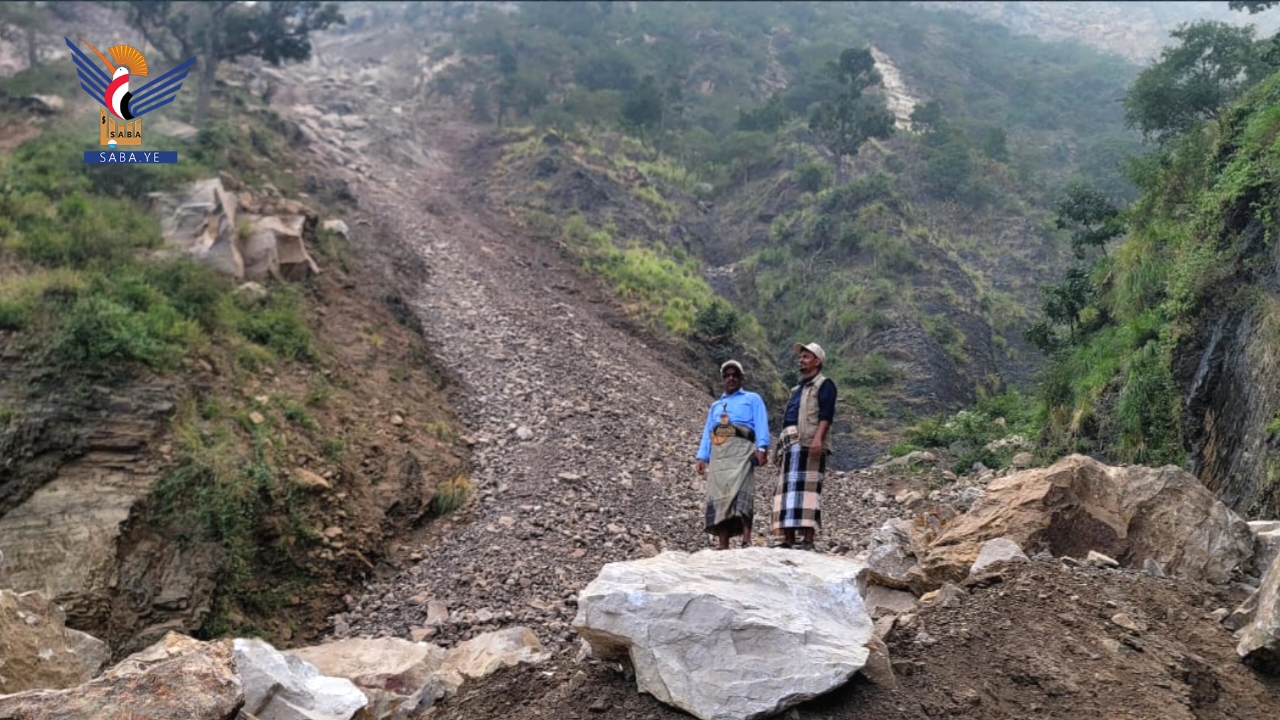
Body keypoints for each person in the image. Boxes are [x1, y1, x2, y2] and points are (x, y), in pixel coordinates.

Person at [696, 360, 770, 550]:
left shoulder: (752, 399)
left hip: (742, 451)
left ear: (741, 378)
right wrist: (702, 456)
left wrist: (762, 448)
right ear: (722, 379)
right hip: (719, 454)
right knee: (720, 494)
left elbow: (761, 423)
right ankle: (723, 544)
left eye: (735, 375)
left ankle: (746, 539)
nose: (731, 378)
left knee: (743, 491)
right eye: (727, 375)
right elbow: (708, 432)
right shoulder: (716, 406)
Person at [772, 342, 837, 551]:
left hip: (809, 442)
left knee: (809, 491)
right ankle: (789, 539)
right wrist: (779, 448)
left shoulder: (824, 385)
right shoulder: (797, 389)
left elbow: (826, 415)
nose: (801, 360)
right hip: (791, 443)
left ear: (817, 361)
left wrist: (818, 439)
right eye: (800, 357)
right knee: (787, 491)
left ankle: (808, 540)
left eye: (806, 357)